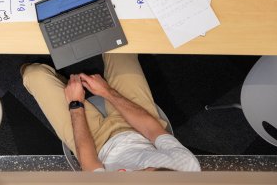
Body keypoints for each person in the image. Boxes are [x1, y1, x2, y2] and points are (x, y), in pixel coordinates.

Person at [22, 54, 201, 172]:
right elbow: (152, 129)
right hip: (140, 131)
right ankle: (69, 86)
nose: (129, 173)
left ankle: (57, 81)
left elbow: (89, 163)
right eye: (149, 170)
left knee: (33, 74)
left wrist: (75, 103)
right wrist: (107, 91)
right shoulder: (186, 167)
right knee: (120, 47)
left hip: (97, 147)